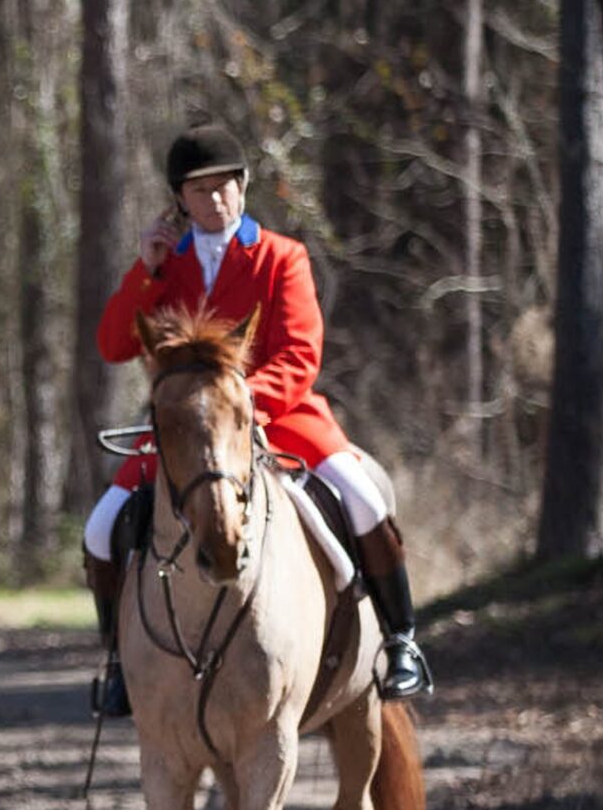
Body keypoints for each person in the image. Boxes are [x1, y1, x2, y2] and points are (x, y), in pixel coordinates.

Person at [83, 124, 433, 716]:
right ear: (179, 201)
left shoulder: (282, 257)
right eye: (200, 190)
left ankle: (401, 642)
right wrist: (145, 270)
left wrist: (239, 403)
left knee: (365, 500)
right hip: (184, 432)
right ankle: (119, 663)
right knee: (100, 527)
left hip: (280, 413)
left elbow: (300, 353)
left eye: (225, 186)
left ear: (243, 187)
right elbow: (114, 343)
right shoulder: (164, 269)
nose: (215, 199)